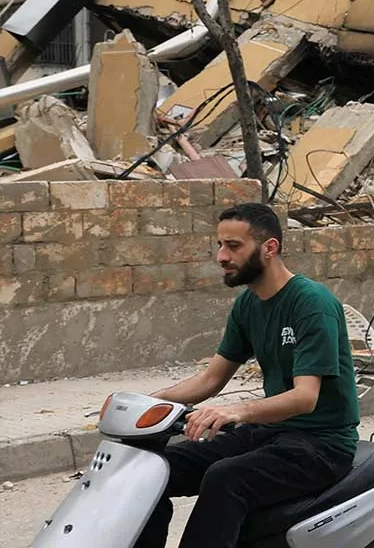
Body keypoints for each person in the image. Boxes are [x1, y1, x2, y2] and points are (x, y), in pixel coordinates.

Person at [133, 203, 361, 548]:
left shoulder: (311, 302)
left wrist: (234, 411)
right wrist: (146, 402)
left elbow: (305, 396)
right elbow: (210, 381)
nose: (221, 256)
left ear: (269, 248)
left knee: (225, 478)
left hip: (322, 443)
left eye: (233, 246)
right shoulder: (248, 305)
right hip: (269, 433)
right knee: (152, 469)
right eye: (220, 245)